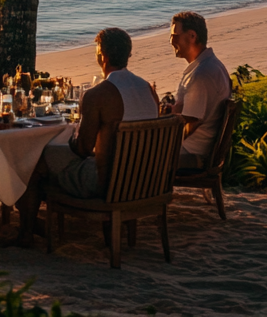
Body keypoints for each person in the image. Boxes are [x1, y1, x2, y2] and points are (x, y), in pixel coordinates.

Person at [42, 28, 159, 199]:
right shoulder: (148, 89)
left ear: (102, 56)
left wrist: (73, 134)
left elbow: (83, 149)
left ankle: (29, 225)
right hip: (146, 178)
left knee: (39, 164)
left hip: (108, 182)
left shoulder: (97, 95)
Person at [167, 11, 231, 169]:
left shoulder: (201, 75)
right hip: (195, 149)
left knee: (133, 153)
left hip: (191, 154)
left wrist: (163, 143)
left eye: (175, 35)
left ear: (192, 36)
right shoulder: (210, 65)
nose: (171, 41)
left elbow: (190, 125)